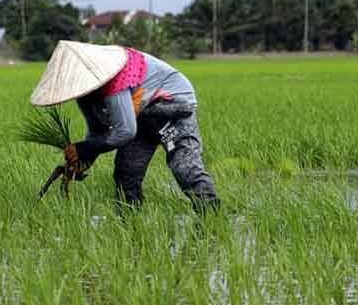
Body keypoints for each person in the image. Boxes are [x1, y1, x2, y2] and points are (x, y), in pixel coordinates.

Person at [30, 40, 219, 212]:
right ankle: (130, 222)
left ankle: (212, 217)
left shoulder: (114, 79)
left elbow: (125, 132)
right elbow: (98, 131)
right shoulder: (86, 95)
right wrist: (84, 159)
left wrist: (82, 148)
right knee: (126, 171)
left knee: (183, 166)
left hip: (170, 107)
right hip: (139, 116)